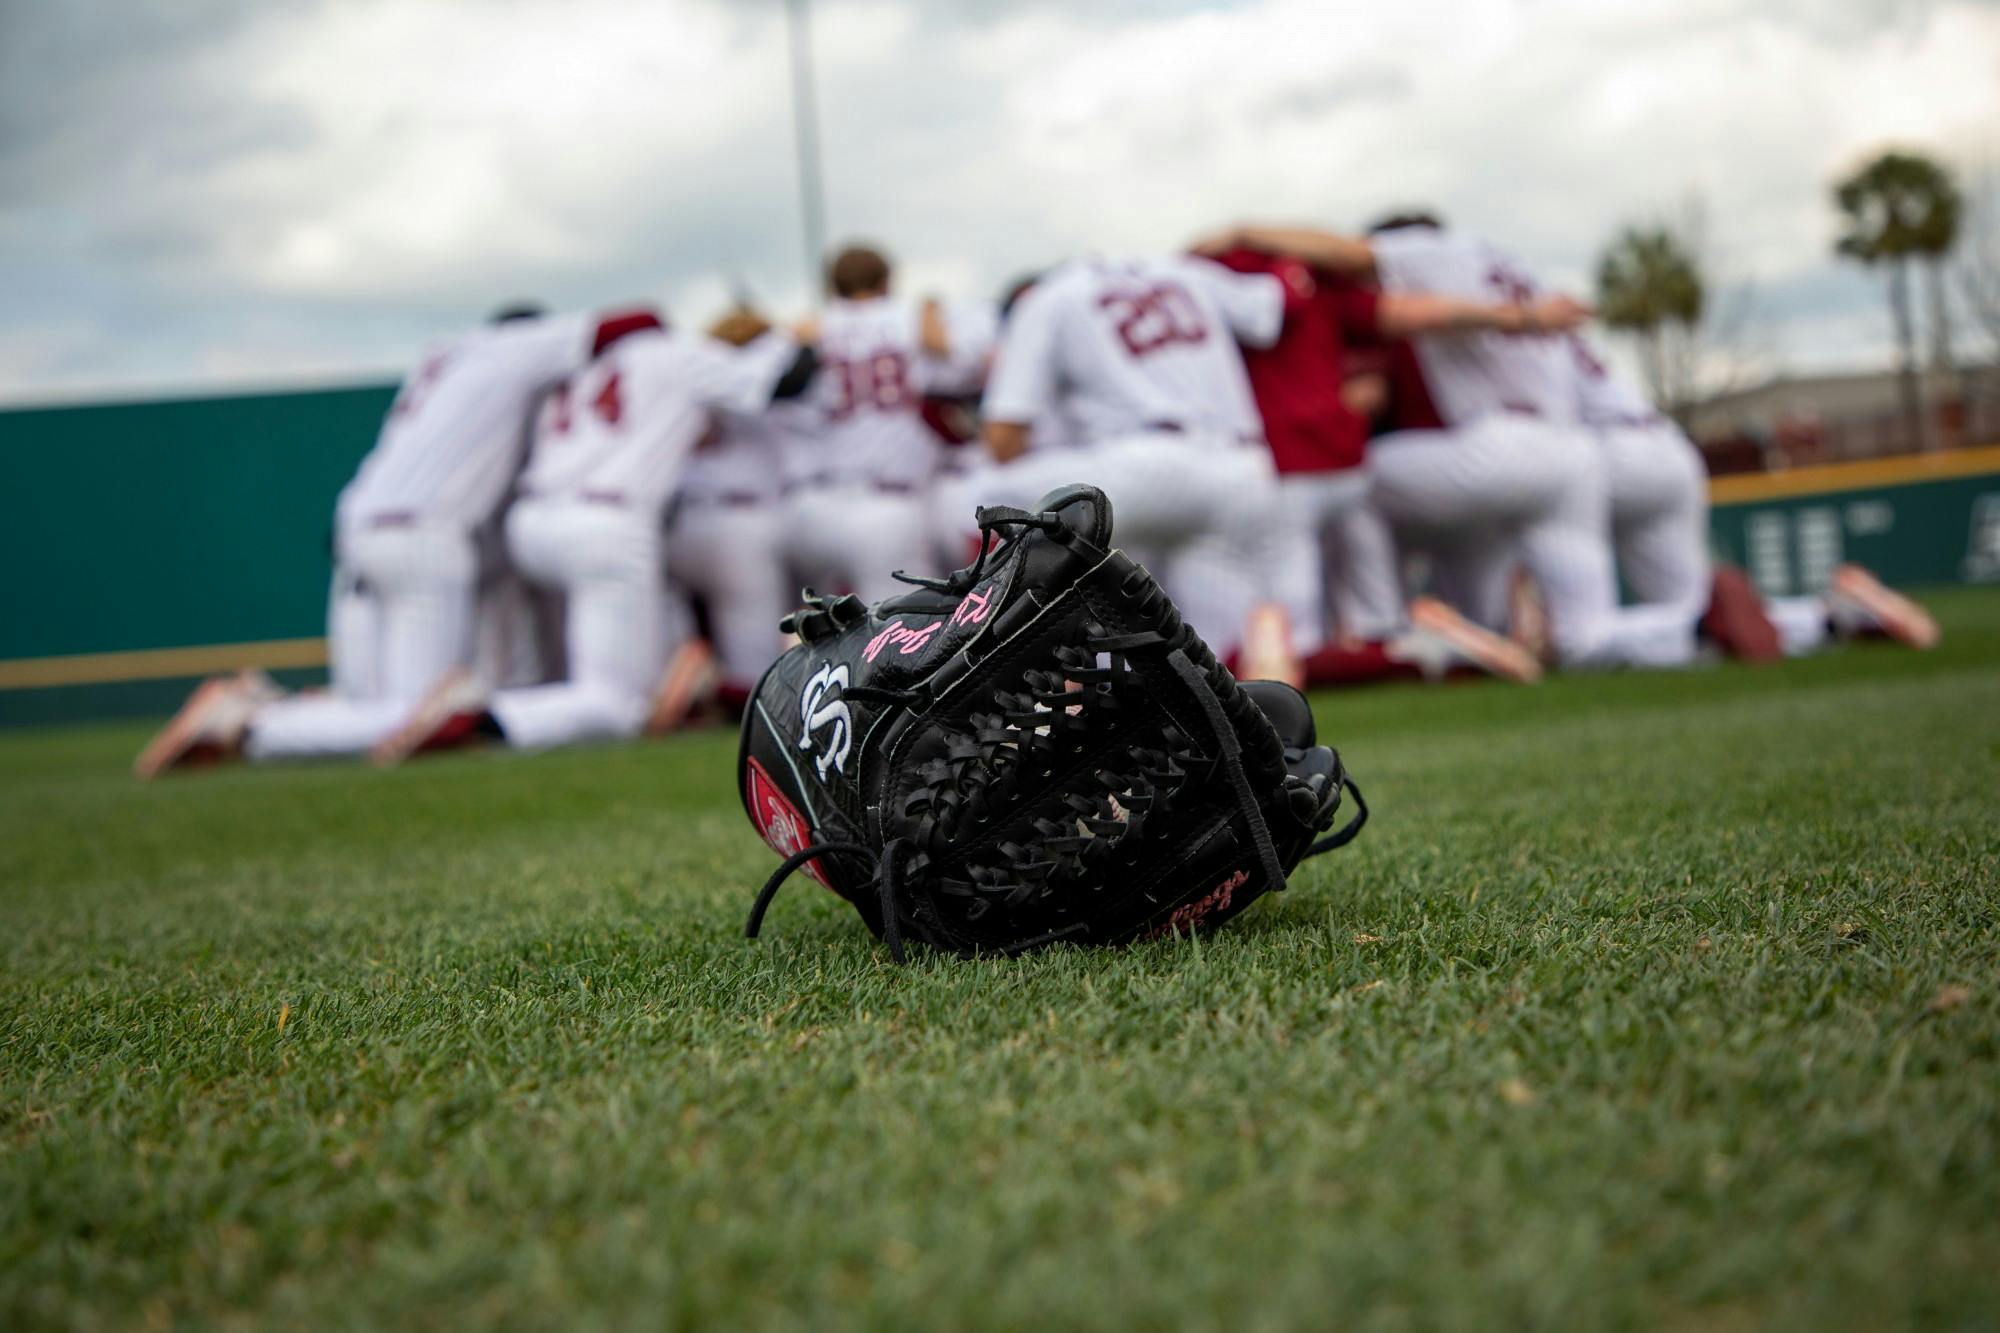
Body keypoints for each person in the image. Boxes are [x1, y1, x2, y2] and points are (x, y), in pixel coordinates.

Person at [135, 304, 647, 778]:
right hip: (424, 537)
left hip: (359, 531)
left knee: (377, 705)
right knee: (421, 715)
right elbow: (625, 322)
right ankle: (255, 724)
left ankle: (281, 712)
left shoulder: (446, 355)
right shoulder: (516, 347)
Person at [370, 311, 818, 761]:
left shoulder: (584, 366)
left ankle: (678, 673)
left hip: (530, 522)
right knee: (616, 703)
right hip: (605, 521)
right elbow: (782, 382)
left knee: (547, 666)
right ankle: (480, 712)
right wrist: (798, 340)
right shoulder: (678, 354)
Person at [974, 253, 1290, 667]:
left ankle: (997, 659)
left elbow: (1004, 437)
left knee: (980, 494)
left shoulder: (1051, 295)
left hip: (1140, 468)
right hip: (1241, 466)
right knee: (1208, 660)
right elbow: (1269, 310)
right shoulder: (1185, 272)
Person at [782, 243, 993, 604]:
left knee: (834, 639)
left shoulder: (811, 328)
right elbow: (971, 373)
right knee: (901, 637)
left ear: (833, 285)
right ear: (886, 280)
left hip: (820, 505)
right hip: (893, 506)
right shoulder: (910, 318)